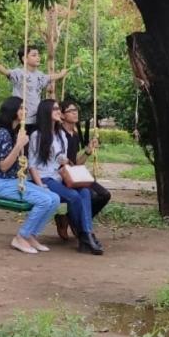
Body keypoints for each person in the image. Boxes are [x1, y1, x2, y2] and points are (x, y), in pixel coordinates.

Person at [29, 99, 104, 255]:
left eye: (58, 108)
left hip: (58, 176)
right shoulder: (37, 135)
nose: (58, 111)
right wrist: (39, 185)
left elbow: (63, 160)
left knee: (84, 192)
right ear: (46, 113)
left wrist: (65, 160)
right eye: (55, 109)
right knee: (74, 197)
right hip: (44, 178)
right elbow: (32, 164)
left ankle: (86, 235)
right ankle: (85, 235)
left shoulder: (60, 136)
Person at [0, 96, 61, 254]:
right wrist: (19, 146)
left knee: (54, 199)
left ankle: (31, 235)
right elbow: (4, 166)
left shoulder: (16, 132)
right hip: (2, 183)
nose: (25, 111)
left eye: (25, 108)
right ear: (12, 111)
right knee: (43, 200)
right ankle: (21, 236)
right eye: (21, 108)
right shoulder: (3, 134)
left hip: (16, 181)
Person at [55, 98, 111, 240]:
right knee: (77, 195)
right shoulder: (58, 134)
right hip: (59, 175)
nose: (75, 113)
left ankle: (75, 221)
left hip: (73, 173)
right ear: (62, 115)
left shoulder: (74, 135)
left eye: (76, 110)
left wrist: (87, 151)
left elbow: (76, 163)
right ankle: (68, 220)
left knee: (104, 195)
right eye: (71, 111)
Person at [0, 47, 69, 136]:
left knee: (33, 144)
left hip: (36, 119)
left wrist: (62, 74)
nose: (38, 57)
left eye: (38, 55)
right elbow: (5, 72)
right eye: (34, 55)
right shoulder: (19, 73)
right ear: (24, 59)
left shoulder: (40, 75)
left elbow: (50, 77)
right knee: (21, 144)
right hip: (21, 119)